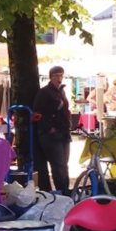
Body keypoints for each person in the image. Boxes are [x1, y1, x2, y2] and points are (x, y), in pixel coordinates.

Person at [32, 66, 72, 195]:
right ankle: (62, 192)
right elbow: (36, 113)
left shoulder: (62, 92)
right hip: (51, 135)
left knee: (64, 165)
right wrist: (50, 129)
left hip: (64, 133)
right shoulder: (45, 92)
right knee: (58, 165)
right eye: (56, 75)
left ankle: (65, 190)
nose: (59, 78)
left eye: (61, 75)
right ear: (50, 77)